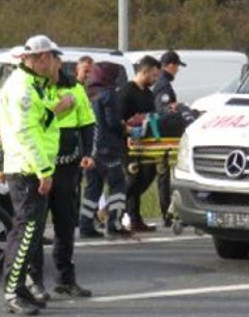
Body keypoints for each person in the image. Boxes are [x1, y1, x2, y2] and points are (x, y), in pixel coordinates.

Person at [0, 34, 60, 316]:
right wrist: (44, 170)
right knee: (25, 232)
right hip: (26, 169)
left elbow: (41, 123)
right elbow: (25, 132)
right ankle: (12, 290)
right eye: (54, 58)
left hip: (32, 166)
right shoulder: (23, 87)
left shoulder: (35, 84)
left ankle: (20, 287)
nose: (57, 64)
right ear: (42, 58)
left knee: (31, 232)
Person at [25, 53, 96, 301]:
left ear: (58, 63)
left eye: (52, 60)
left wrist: (88, 153)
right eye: (43, 60)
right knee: (35, 226)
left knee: (66, 225)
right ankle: (34, 280)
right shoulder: (33, 89)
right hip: (39, 167)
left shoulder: (75, 88)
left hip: (67, 168)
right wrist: (58, 109)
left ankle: (66, 279)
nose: (47, 65)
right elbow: (31, 123)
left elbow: (88, 122)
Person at [79, 62, 132, 239]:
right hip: (108, 148)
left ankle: (86, 224)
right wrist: (125, 127)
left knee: (92, 188)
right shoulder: (109, 95)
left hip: (91, 149)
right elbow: (113, 122)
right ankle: (114, 223)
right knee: (118, 185)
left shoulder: (89, 95)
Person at [117, 55, 161, 232]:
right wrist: (128, 130)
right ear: (144, 71)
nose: (155, 79)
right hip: (127, 143)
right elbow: (117, 118)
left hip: (145, 144)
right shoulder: (127, 91)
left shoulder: (149, 94)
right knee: (133, 178)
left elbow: (152, 117)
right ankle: (120, 211)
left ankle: (133, 217)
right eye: (153, 75)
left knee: (148, 174)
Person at [152, 50, 186, 227]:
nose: (178, 70)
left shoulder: (161, 83)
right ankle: (168, 214)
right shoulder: (164, 86)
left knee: (165, 176)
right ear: (171, 65)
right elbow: (163, 112)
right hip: (165, 138)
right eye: (177, 66)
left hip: (163, 137)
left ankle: (169, 213)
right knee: (165, 176)